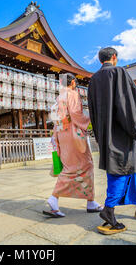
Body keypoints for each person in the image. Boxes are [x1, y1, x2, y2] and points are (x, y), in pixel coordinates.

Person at [88, 47, 136, 235]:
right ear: (114, 57)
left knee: (128, 170)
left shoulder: (93, 80)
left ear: (100, 60)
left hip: (106, 132)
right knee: (120, 170)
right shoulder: (119, 72)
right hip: (122, 131)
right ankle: (108, 210)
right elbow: (127, 104)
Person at [44, 73, 102, 218]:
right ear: (73, 82)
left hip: (61, 134)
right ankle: (54, 197)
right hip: (73, 134)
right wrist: (91, 118)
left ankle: (90, 201)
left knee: (71, 166)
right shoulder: (72, 94)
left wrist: (56, 137)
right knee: (84, 165)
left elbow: (57, 119)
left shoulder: (59, 98)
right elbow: (76, 115)